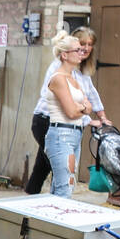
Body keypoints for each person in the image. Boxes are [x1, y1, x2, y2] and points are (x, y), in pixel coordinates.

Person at [26, 25, 111, 194]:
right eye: (80, 47)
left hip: (71, 129)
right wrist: (87, 115)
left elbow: (89, 97)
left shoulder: (78, 72)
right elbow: (71, 109)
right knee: (59, 175)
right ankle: (36, 207)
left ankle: (34, 203)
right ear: (65, 53)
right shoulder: (59, 72)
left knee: (50, 170)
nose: (84, 50)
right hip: (48, 120)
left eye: (88, 45)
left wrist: (101, 115)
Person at [42, 31, 100, 198]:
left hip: (74, 134)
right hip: (62, 134)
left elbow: (89, 107)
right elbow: (72, 112)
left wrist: (81, 107)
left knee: (64, 185)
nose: (82, 53)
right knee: (64, 187)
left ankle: (50, 221)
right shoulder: (59, 78)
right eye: (77, 50)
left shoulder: (73, 78)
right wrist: (81, 107)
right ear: (65, 55)